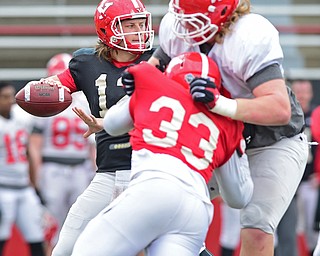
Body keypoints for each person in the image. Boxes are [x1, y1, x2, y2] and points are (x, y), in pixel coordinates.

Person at [143, 0, 309, 255]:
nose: (184, 24)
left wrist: (220, 103)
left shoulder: (247, 36)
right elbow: (153, 70)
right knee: (160, 213)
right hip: (215, 141)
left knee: (256, 225)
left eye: (193, 16)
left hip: (271, 142)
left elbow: (279, 108)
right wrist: (140, 81)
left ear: (221, 11)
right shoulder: (177, 27)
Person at [71, 51, 253, 256]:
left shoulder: (152, 85)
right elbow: (239, 198)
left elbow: (112, 125)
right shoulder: (228, 120)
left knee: (87, 250)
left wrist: (135, 96)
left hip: (153, 187)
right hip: (196, 208)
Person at [20, 0, 155, 255]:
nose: (139, 30)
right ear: (107, 30)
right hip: (109, 171)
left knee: (158, 245)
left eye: (141, 24)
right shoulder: (86, 63)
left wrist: (104, 123)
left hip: (150, 167)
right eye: (129, 25)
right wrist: (41, 89)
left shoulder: (157, 62)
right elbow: (56, 84)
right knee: (67, 246)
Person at [28, 53, 96, 256]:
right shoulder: (45, 101)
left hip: (81, 168)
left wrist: (95, 170)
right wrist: (37, 176)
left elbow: (92, 144)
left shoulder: (84, 100)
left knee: (80, 222)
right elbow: (35, 143)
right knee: (53, 225)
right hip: (53, 168)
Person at [0, 81, 45, 256]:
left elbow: (28, 152)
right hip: (2, 188)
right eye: (4, 97)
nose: (10, 101)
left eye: (11, 96)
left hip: (24, 188)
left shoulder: (22, 118)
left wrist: (35, 185)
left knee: (36, 239)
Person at [290, 79, 318, 255]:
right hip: (288, 182)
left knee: (312, 232)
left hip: (309, 181)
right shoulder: (285, 113)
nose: (301, 96)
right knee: (285, 231)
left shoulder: (316, 115)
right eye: (297, 91)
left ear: (311, 93)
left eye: (304, 91)